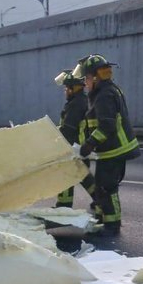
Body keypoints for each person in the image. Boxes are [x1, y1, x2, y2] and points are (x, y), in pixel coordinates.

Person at [74, 54, 141, 237]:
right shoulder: (107, 90)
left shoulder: (104, 95)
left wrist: (89, 144)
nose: (85, 83)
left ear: (95, 77)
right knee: (104, 186)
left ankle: (112, 226)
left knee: (107, 188)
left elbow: (107, 125)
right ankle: (105, 220)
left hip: (114, 150)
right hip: (112, 149)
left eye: (86, 78)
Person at [53, 69, 90, 208]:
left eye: (67, 88)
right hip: (81, 147)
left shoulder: (75, 104)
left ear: (73, 88)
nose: (65, 91)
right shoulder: (82, 100)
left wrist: (55, 139)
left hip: (75, 147)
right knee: (84, 177)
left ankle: (63, 206)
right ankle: (100, 201)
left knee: (66, 175)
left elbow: (68, 128)